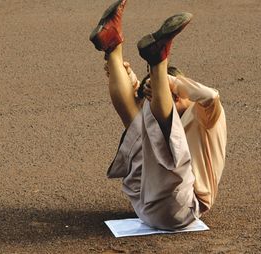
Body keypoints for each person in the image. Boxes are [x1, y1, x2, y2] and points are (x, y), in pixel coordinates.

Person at [89, 0, 227, 230]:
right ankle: (114, 46)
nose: (172, 102)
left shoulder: (205, 116)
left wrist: (173, 83)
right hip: (150, 201)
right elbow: (138, 100)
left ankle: (156, 61)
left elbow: (211, 96)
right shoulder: (158, 111)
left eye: (175, 95)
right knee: (141, 123)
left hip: (179, 206)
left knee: (162, 133)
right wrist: (122, 73)